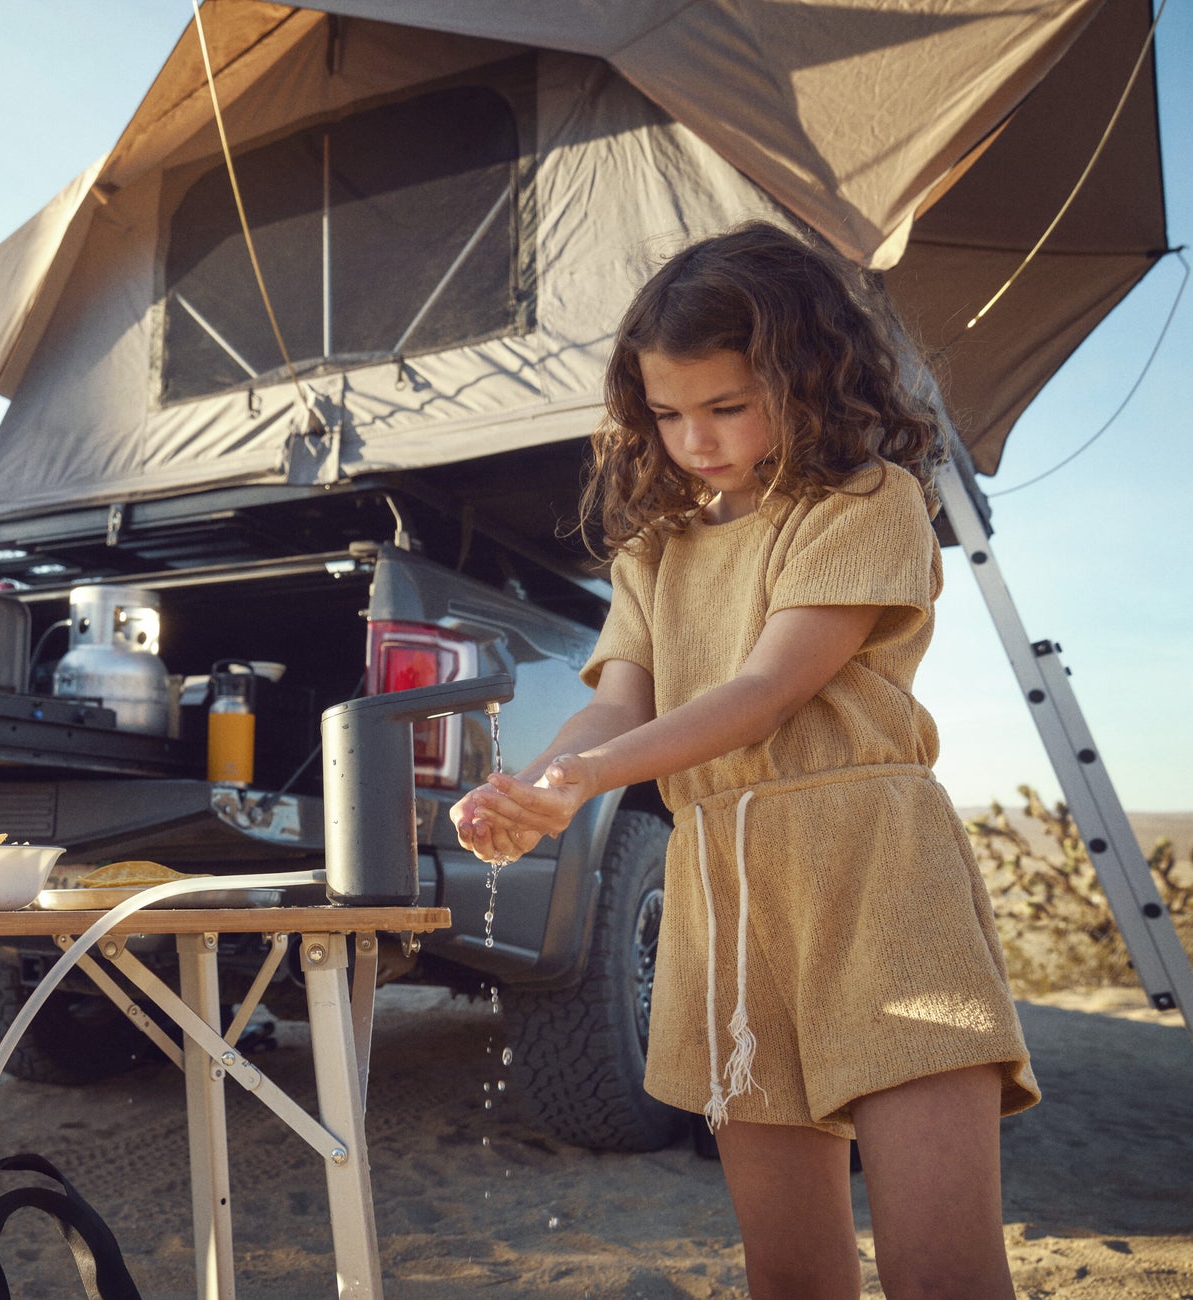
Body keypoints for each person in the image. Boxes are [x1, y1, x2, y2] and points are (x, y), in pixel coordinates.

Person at [451, 222, 1037, 1299]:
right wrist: (539, 788)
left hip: (876, 883)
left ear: (808, 379)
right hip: (725, 902)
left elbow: (764, 691)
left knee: (945, 1270)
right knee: (789, 1269)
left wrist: (596, 776)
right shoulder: (653, 554)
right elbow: (618, 703)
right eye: (669, 415)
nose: (697, 440)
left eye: (726, 406)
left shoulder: (866, 504)